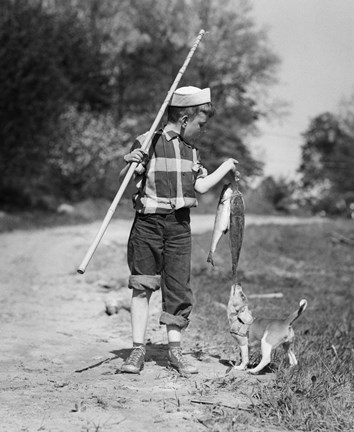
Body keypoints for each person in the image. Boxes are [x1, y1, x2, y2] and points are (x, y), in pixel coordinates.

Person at [120, 86, 238, 375]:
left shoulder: (192, 151)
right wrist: (131, 164)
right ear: (185, 119)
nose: (204, 131)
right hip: (147, 224)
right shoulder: (148, 141)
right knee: (142, 285)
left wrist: (226, 167)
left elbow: (199, 186)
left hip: (179, 227)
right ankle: (137, 350)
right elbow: (126, 186)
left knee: (177, 288)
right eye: (202, 124)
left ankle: (175, 352)